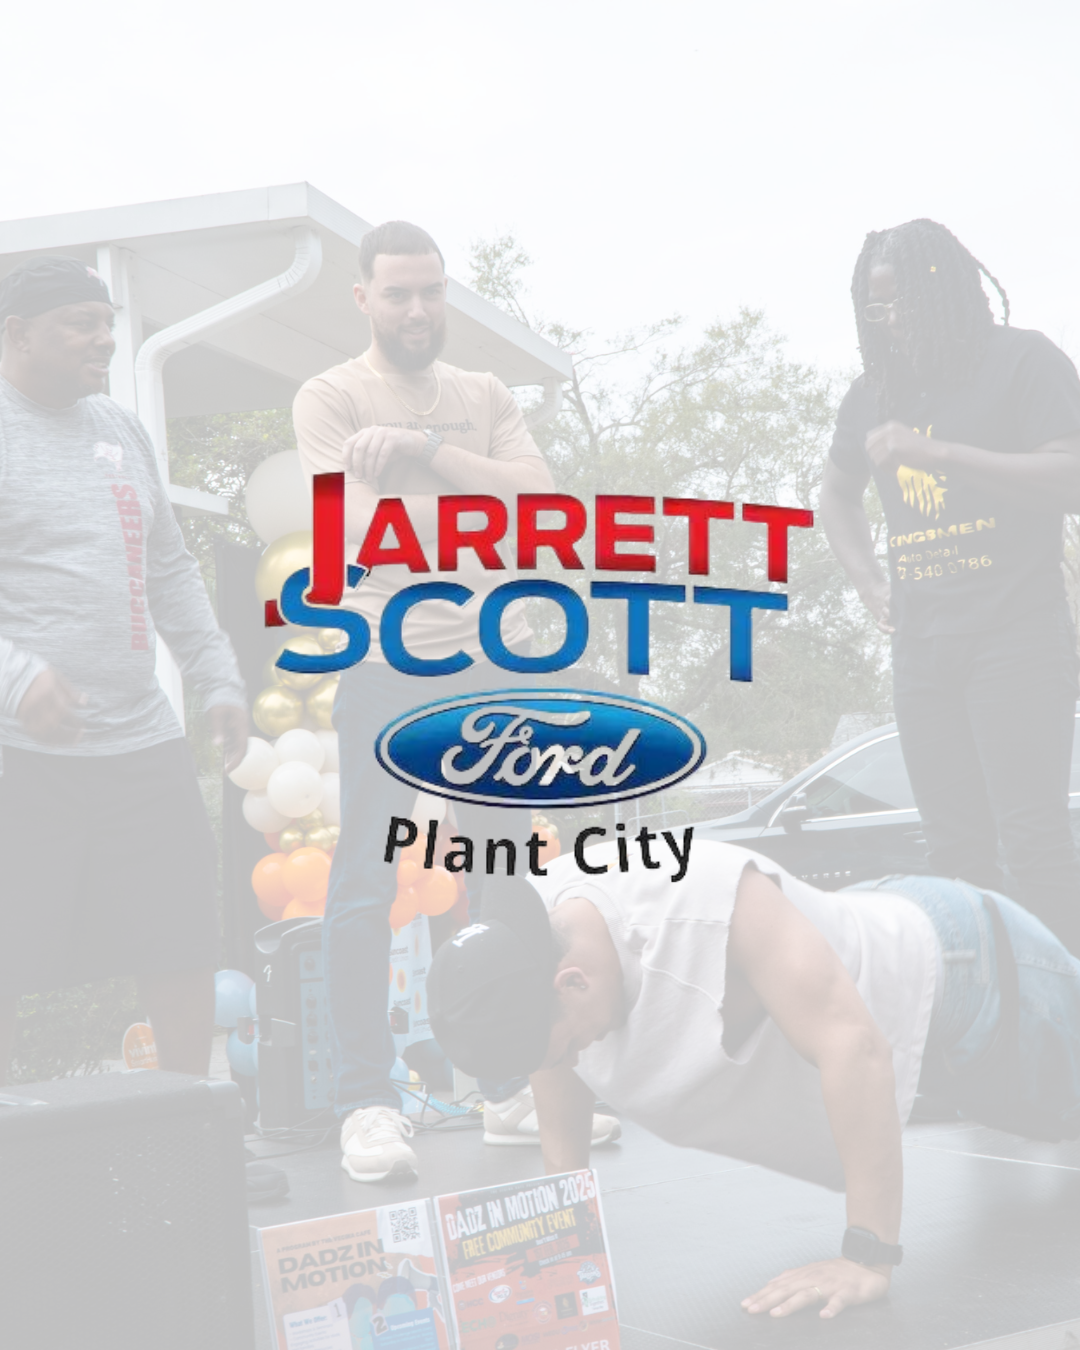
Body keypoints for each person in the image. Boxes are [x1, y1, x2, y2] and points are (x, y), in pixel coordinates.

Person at [427, 838, 1080, 1321]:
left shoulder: (701, 906)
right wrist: (557, 1240)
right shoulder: (538, 940)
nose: (572, 1065)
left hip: (969, 965)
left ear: (572, 981)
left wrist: (866, 1257)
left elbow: (854, 1048)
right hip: (890, 988)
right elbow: (555, 1074)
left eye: (568, 1047)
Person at [292, 221, 618, 1183]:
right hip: (385, 658)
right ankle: (365, 1101)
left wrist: (422, 447)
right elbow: (369, 533)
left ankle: (508, 1082)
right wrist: (480, 499)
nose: (416, 309)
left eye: (430, 291)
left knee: (504, 874)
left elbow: (541, 505)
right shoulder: (331, 397)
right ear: (364, 298)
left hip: (487, 661)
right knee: (366, 879)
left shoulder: (482, 395)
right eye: (396, 293)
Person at [0, 256, 248, 1080]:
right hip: (21, 756)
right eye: (81, 323)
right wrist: (18, 678)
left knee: (181, 938)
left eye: (106, 322)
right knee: (10, 957)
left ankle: (187, 1120)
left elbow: (168, 564)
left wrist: (216, 674)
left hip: (141, 740)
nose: (103, 338)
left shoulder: (120, 428)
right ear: (17, 333)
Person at [820, 218, 1080, 955]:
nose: (889, 320)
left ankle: (1065, 1008)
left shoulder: (1022, 360)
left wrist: (939, 454)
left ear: (946, 288)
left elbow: (1071, 474)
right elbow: (834, 496)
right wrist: (868, 582)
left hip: (1017, 637)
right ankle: (996, 1009)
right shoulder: (873, 394)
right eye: (875, 307)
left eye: (900, 301)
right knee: (955, 852)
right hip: (923, 651)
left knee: (1031, 842)